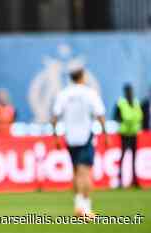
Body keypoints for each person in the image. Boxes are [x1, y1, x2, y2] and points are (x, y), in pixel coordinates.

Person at [51, 69, 107, 217]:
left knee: (76, 171)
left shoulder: (64, 94)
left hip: (70, 137)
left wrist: (56, 136)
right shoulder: (90, 93)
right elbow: (100, 114)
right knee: (86, 172)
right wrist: (105, 133)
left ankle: (78, 206)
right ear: (82, 77)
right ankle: (86, 209)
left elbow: (55, 117)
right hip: (85, 136)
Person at [113, 84, 143, 188]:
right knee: (123, 157)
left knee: (134, 158)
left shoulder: (136, 103)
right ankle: (120, 181)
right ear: (125, 92)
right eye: (128, 91)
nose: (130, 93)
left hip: (134, 133)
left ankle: (134, 180)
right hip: (124, 134)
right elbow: (115, 117)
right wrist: (122, 121)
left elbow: (140, 116)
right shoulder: (121, 103)